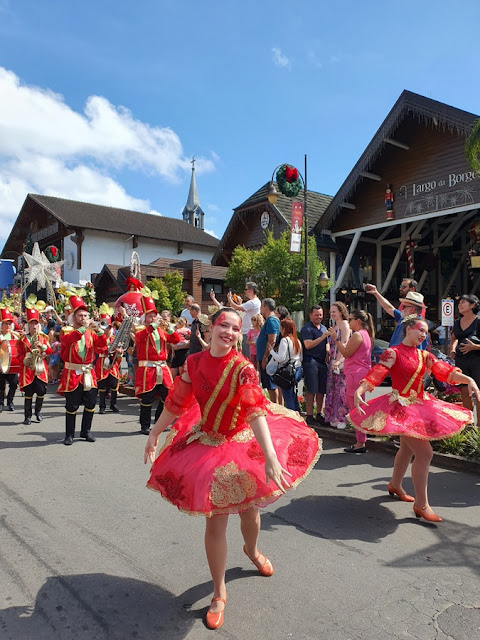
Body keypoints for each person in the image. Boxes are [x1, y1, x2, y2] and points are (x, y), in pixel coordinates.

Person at [144, 307, 321, 630]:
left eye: (235, 328)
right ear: (211, 327)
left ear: (240, 333)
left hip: (240, 444)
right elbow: (177, 402)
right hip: (207, 443)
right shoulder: (193, 363)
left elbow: (255, 411)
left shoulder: (243, 369)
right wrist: (156, 432)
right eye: (223, 325)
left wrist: (269, 454)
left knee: (250, 512)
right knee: (215, 522)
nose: (228, 331)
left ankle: (251, 550)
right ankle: (219, 591)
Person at [349, 316, 479, 522]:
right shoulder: (394, 352)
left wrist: (468, 379)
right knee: (425, 453)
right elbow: (378, 372)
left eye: (426, 332)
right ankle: (421, 504)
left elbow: (443, 371)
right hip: (399, 408)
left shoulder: (424, 355)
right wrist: (361, 389)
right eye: (420, 330)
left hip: (420, 406)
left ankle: (395, 484)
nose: (423, 335)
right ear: (408, 329)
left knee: (407, 449)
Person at [57, 295, 103, 445]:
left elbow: (102, 347)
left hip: (88, 373)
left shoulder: (91, 333)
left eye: (85, 316)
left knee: (90, 404)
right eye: (80, 316)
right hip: (72, 373)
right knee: (72, 405)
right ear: (74, 317)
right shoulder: (67, 331)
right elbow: (66, 341)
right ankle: (69, 435)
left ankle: (86, 431)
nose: (83, 318)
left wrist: (101, 332)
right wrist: (83, 329)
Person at [134, 292, 180, 435]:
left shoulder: (161, 330)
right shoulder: (141, 329)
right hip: (148, 369)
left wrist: (171, 328)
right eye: (150, 316)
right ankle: (145, 425)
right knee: (147, 398)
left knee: (167, 396)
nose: (153, 318)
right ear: (145, 318)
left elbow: (176, 340)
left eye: (155, 315)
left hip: (162, 366)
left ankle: (159, 422)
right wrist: (153, 325)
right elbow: (140, 338)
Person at [329, 309, 374, 452]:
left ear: (358, 321)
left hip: (356, 374)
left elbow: (346, 353)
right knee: (357, 406)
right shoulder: (365, 334)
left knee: (355, 407)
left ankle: (360, 442)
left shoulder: (358, 335)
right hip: (359, 373)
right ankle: (360, 440)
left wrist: (336, 338)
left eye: (351, 319)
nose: (349, 322)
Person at [17, 304, 52, 425]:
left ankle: (38, 412)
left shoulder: (43, 337)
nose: (34, 326)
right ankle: (27, 416)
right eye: (31, 323)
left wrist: (42, 346)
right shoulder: (22, 339)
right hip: (28, 368)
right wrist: (23, 360)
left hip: (40, 367)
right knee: (28, 393)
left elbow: (49, 351)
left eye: (35, 323)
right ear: (28, 325)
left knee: (41, 390)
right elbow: (19, 354)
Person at [449, 294, 480, 412]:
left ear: (473, 305)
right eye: (459, 303)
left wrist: (474, 347)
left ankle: (479, 426)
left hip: (477, 361)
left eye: (463, 302)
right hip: (461, 360)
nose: (460, 305)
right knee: (464, 391)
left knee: (478, 392)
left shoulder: (478, 321)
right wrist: (452, 349)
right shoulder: (457, 322)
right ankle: (469, 425)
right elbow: (453, 337)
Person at [301, 305, 329, 427]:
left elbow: (327, 342)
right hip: (311, 361)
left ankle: (319, 413)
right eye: (316, 315)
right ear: (311, 315)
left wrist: (327, 350)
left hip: (322, 362)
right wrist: (321, 337)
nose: (319, 317)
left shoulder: (323, 328)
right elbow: (307, 345)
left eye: (320, 315)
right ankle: (309, 415)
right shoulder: (307, 329)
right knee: (311, 389)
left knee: (321, 390)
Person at [324, 302, 351, 429]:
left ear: (341, 311)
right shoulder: (335, 326)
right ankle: (332, 417)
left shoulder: (345, 324)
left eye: (334, 311)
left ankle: (342, 418)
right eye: (331, 312)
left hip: (340, 360)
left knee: (341, 390)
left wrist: (339, 360)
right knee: (332, 389)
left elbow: (344, 343)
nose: (332, 314)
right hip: (333, 359)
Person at [268, 318, 302, 411]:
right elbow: (300, 357)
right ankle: (297, 413)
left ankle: (292, 418)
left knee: (288, 396)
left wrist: (271, 351)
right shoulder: (297, 341)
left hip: (287, 372)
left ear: (284, 328)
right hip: (297, 369)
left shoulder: (284, 341)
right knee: (293, 394)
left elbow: (281, 358)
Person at [95, 308, 123, 414]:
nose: (107, 329)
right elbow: (97, 349)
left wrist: (119, 351)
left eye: (109, 327)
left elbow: (120, 351)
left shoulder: (114, 339)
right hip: (102, 363)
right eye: (105, 327)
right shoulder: (98, 338)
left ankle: (113, 404)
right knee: (102, 385)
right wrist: (108, 348)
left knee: (114, 384)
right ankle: (102, 406)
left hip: (112, 364)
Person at [226, 282, 261, 359]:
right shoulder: (254, 302)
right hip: (248, 331)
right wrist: (239, 303)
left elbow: (236, 307)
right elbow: (242, 309)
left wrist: (229, 299)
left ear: (251, 290)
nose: (245, 292)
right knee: (247, 355)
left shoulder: (253, 302)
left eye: (246, 289)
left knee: (248, 357)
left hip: (249, 331)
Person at [257, 298, 281, 403]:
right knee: (269, 385)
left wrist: (265, 357)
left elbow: (272, 340)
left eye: (262, 306)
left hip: (269, 359)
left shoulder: (272, 321)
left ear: (266, 307)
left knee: (272, 386)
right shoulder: (269, 321)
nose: (260, 309)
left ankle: (275, 407)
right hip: (266, 357)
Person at [0, 306, 21, 412]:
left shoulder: (15, 336)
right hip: (0, 364)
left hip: (12, 364)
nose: (8, 325)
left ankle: (10, 401)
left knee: (13, 383)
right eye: (5, 323)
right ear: (1, 325)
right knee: (0, 385)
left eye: (9, 324)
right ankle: (0, 403)